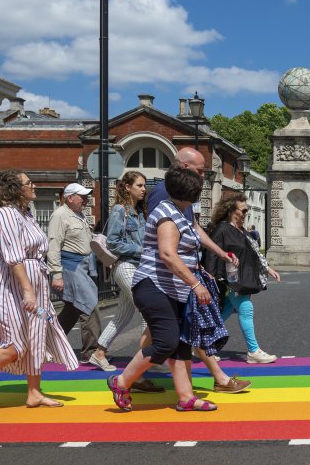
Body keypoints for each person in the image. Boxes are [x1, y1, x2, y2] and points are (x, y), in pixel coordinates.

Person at [106, 167, 237, 412]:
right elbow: (167, 254)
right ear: (192, 193)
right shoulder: (167, 213)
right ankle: (121, 381)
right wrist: (196, 283)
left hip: (174, 288)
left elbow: (195, 234)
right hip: (154, 285)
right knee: (166, 341)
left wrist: (219, 254)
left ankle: (186, 397)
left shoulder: (181, 210)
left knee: (181, 342)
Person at [0, 170, 78, 410]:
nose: (34, 185)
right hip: (8, 282)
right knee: (13, 343)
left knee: (35, 337)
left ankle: (34, 392)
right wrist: (28, 291)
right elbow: (14, 258)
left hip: (32, 280)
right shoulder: (6, 214)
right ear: (15, 189)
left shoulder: (25, 214)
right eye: (29, 183)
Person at [146, 146, 251, 394]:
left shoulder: (182, 195)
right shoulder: (164, 194)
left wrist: (218, 252)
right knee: (184, 328)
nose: (204, 175)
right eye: (200, 170)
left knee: (172, 329)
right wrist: (194, 279)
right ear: (184, 167)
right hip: (166, 275)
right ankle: (128, 379)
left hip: (180, 272)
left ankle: (142, 377)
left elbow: (193, 229)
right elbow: (166, 244)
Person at [85, 172, 166, 393]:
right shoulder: (120, 210)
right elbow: (113, 243)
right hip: (126, 266)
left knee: (123, 314)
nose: (143, 189)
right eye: (139, 185)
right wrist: (143, 250)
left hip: (138, 267)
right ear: (127, 187)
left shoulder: (139, 211)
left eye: (143, 185)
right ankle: (145, 362)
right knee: (147, 309)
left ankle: (99, 352)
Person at [206, 190, 280, 363]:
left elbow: (252, 253)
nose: (246, 213)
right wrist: (210, 278)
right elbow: (211, 255)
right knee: (246, 309)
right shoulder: (222, 229)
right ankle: (253, 351)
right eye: (244, 210)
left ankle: (204, 345)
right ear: (232, 210)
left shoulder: (240, 230)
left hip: (243, 278)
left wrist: (268, 268)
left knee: (223, 313)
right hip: (233, 280)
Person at [47, 183, 102, 364]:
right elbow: (53, 246)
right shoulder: (60, 215)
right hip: (71, 266)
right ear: (69, 198)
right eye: (82, 197)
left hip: (83, 265)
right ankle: (90, 351)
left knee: (72, 308)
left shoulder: (78, 215)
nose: (86, 200)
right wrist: (56, 274)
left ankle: (48, 344)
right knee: (89, 305)